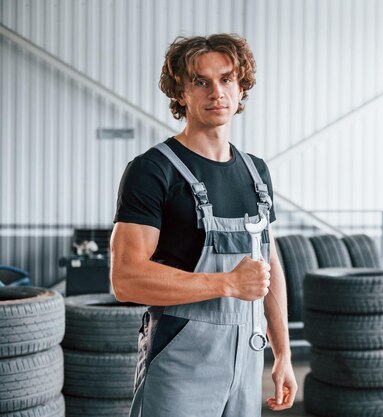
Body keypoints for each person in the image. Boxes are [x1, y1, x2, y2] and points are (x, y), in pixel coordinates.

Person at [110, 34, 297, 417]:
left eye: (227, 79)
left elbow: (268, 266)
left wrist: (283, 353)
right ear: (180, 92)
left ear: (241, 86)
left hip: (247, 358)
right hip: (180, 361)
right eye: (201, 81)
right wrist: (226, 283)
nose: (217, 92)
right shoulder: (152, 170)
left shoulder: (256, 172)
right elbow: (125, 279)